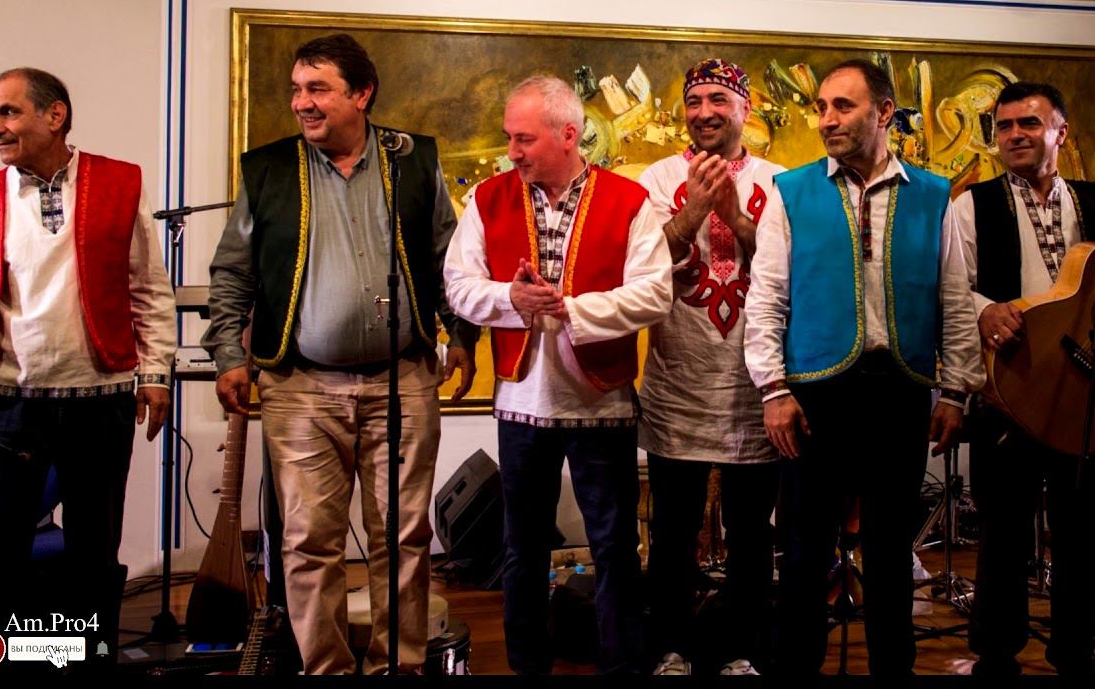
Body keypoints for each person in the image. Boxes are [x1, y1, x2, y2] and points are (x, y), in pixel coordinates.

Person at [202, 33, 477, 675]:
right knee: (307, 542)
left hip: (403, 378)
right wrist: (228, 355)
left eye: (318, 89)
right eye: (297, 89)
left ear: (362, 94)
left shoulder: (414, 160)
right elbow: (232, 273)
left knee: (403, 537)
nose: (302, 102)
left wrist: (462, 333)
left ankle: (396, 667)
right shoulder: (268, 169)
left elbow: (449, 257)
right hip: (299, 387)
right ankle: (324, 669)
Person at [744, 58, 983, 678]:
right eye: (821, 107)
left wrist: (955, 392)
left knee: (889, 553)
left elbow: (954, 299)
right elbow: (767, 299)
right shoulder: (792, 192)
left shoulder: (933, 195)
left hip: (899, 393)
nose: (827, 119)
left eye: (842, 106)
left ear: (883, 113)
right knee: (803, 552)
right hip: (814, 396)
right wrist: (772, 390)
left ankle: (892, 672)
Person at [0, 67, 176, 662]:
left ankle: (80, 659)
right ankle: (0, 664)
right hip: (2, 406)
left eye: (8, 112)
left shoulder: (118, 183)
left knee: (93, 557)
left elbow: (148, 286)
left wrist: (155, 373)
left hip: (100, 401)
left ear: (55, 115)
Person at [444, 75, 671, 675]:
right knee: (521, 549)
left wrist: (572, 309)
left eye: (524, 139)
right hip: (522, 405)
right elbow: (458, 286)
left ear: (569, 135)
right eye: (509, 137)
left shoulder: (628, 200)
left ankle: (622, 669)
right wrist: (511, 299)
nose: (512, 151)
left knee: (615, 548)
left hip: (604, 404)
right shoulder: (488, 198)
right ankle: (528, 668)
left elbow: (655, 293)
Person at [956, 81, 1095, 677]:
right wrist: (983, 310)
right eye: (1004, 126)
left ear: (1060, 132)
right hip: (1010, 389)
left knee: (1081, 532)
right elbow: (951, 286)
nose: (1014, 135)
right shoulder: (972, 205)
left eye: (1028, 123)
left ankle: (1076, 650)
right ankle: (997, 655)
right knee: (1003, 533)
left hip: (1082, 391)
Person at [635, 58, 782, 677]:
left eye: (718, 99)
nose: (704, 112)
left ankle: (741, 647)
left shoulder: (780, 182)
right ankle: (670, 645)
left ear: (745, 109)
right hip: (679, 380)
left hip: (755, 386)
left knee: (752, 531)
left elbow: (784, 268)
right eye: (694, 101)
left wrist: (736, 215)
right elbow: (643, 266)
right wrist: (694, 209)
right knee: (673, 529)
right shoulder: (656, 178)